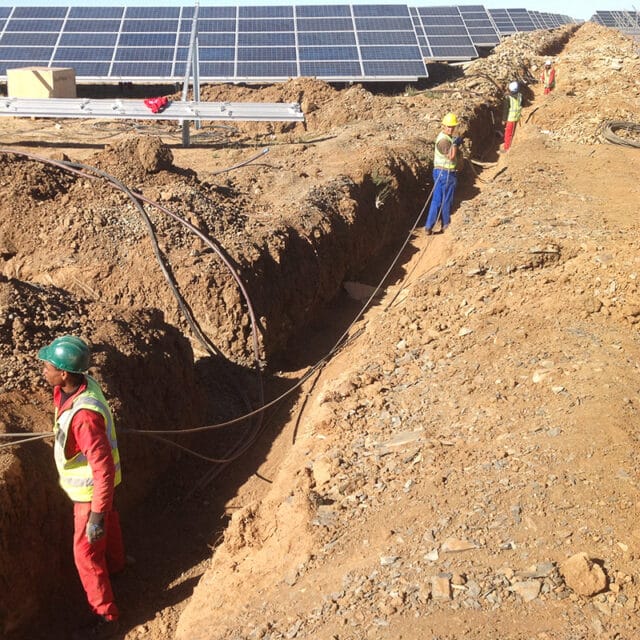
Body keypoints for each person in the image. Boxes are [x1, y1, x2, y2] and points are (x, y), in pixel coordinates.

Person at [38, 335, 124, 640]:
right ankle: (117, 567)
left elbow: (102, 468)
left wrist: (96, 516)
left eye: (47, 366)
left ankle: (107, 618)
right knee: (109, 524)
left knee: (86, 556)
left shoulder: (85, 418)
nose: (43, 370)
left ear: (64, 373)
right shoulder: (78, 385)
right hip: (102, 488)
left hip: (91, 493)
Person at [425, 112, 464, 235]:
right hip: (446, 173)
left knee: (436, 199)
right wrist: (456, 144)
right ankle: (446, 223)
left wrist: (454, 142)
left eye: (452, 127)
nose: (451, 129)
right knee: (446, 199)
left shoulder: (446, 137)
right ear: (443, 126)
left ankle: (428, 226)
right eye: (449, 126)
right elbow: (451, 156)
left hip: (440, 173)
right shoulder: (443, 140)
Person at [501, 81, 523, 152]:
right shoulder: (520, 95)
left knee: (508, 134)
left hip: (511, 118)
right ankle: (507, 147)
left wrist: (504, 120)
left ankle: (507, 148)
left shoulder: (508, 98)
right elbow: (523, 104)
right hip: (517, 116)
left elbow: (506, 110)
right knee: (509, 133)